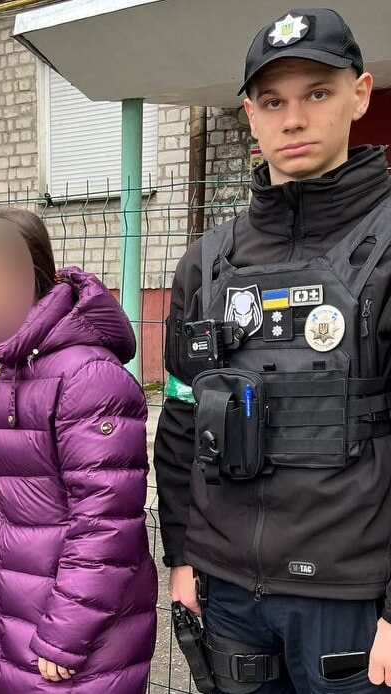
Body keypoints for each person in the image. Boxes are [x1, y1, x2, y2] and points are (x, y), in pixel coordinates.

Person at [155, 8, 391, 692]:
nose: (294, 119)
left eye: (317, 93)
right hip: (227, 590)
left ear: (360, 95)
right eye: (272, 101)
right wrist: (182, 557)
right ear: (251, 117)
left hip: (350, 599)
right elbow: (180, 420)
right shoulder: (206, 264)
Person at [0, 208, 157, 693]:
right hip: (8, 621)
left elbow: (107, 523)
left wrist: (65, 635)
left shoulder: (87, 377)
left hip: (70, 641)